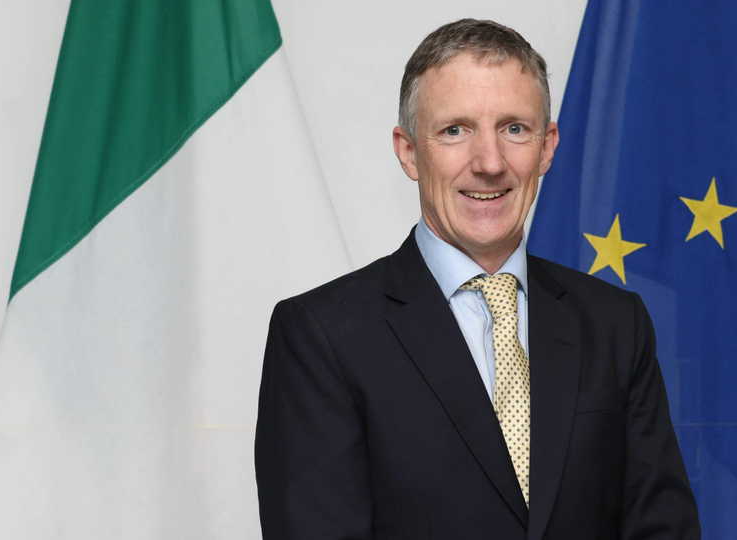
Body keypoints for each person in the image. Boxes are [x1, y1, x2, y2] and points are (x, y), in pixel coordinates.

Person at [255, 18, 700, 539]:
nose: (490, 162)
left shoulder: (616, 324)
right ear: (407, 151)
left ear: (547, 146)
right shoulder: (321, 335)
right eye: (454, 130)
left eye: (514, 128)